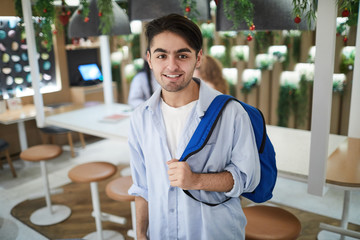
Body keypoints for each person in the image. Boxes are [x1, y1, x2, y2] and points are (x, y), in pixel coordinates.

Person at [128, 13, 260, 240]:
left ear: (198, 58)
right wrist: (141, 234)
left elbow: (247, 179)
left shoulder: (231, 113)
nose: (172, 65)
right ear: (149, 59)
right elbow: (142, 187)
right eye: (161, 55)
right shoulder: (141, 118)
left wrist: (196, 180)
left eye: (182, 55)